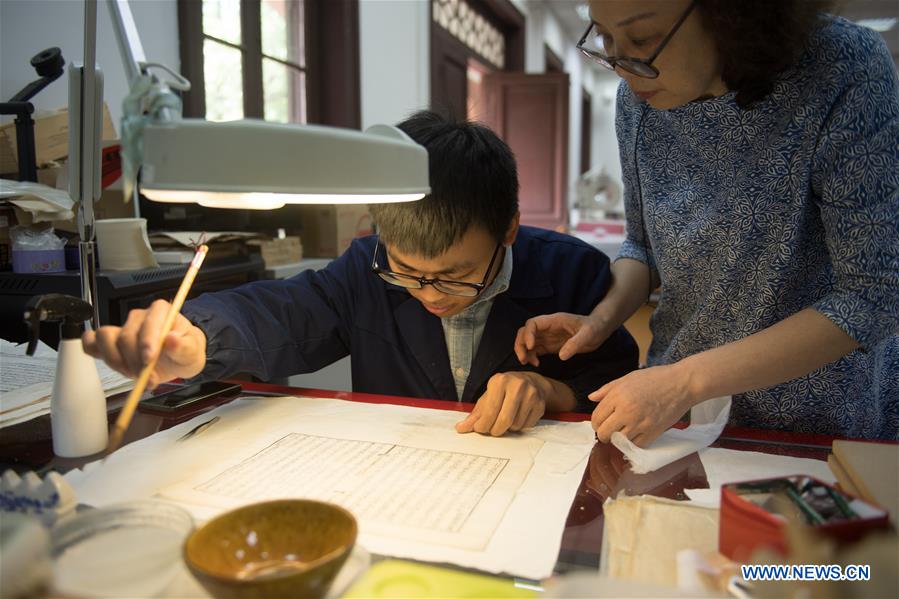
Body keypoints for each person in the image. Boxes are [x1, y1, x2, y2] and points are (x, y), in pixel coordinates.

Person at [83, 111, 638, 436]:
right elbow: (282, 315)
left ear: (510, 229)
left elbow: (619, 379)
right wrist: (197, 338)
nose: (430, 295)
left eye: (455, 275)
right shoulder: (365, 270)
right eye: (408, 272)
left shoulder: (572, 272)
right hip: (397, 485)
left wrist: (551, 390)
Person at [516, 0, 899, 444]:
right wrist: (600, 320)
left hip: (814, 414)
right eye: (604, 38)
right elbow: (642, 247)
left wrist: (686, 381)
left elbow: (874, 294)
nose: (621, 66)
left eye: (640, 40)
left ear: (730, 18)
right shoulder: (639, 102)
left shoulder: (840, 69)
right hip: (675, 405)